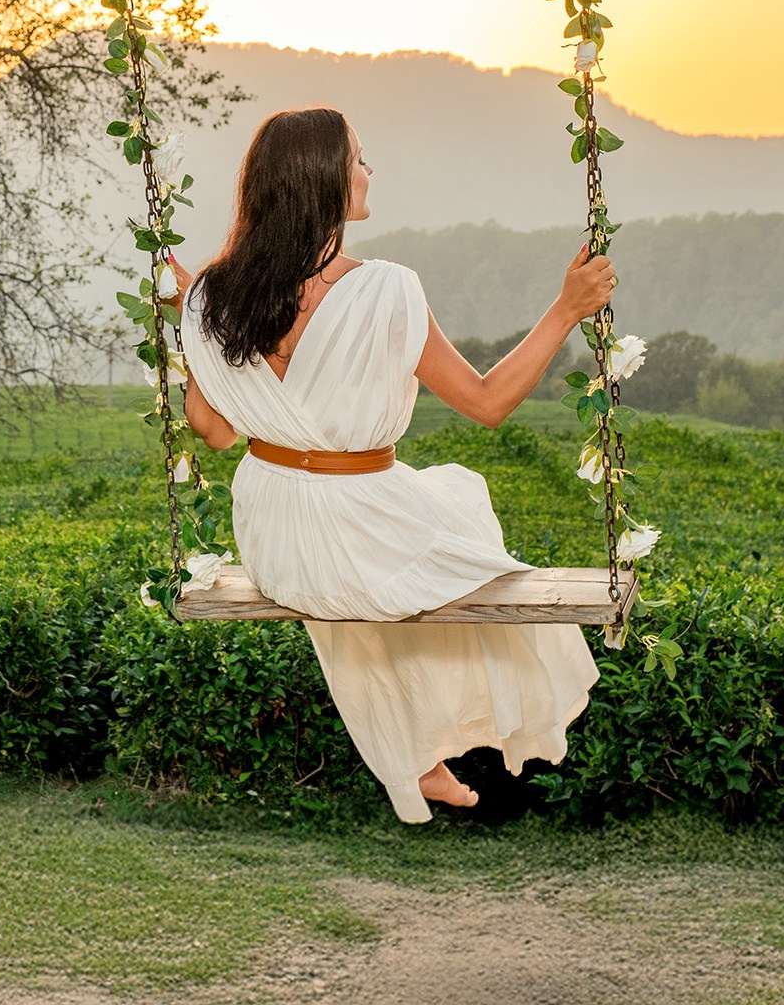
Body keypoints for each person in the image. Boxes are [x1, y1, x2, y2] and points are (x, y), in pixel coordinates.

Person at [172, 105, 616, 820]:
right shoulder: (386, 290)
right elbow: (487, 403)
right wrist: (566, 310)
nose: (368, 170)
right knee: (459, 517)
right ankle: (428, 751)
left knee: (372, 555)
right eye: (358, 159)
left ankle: (420, 760)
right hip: (355, 520)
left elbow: (214, 433)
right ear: (326, 182)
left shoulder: (208, 296)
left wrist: (195, 325)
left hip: (274, 535)